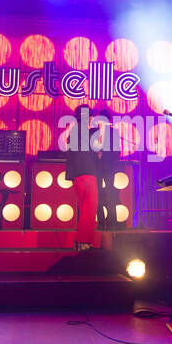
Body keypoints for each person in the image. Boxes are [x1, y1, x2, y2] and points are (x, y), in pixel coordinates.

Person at [66, 104, 101, 250]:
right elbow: (98, 148)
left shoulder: (73, 131)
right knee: (90, 208)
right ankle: (85, 242)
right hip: (87, 172)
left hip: (77, 174)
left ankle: (81, 242)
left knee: (84, 207)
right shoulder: (86, 131)